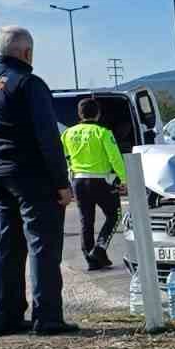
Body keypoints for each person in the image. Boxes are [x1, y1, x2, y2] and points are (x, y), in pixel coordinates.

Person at [0, 26, 76, 335]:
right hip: (32, 174)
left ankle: (7, 316)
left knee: (9, 244)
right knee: (43, 246)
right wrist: (61, 183)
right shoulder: (29, 83)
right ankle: (48, 318)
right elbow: (48, 137)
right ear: (27, 52)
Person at [61, 98, 126, 271]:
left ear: (79, 114)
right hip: (102, 181)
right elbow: (115, 158)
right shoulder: (103, 132)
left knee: (86, 220)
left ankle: (90, 257)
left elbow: (63, 157)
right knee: (115, 215)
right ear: (98, 113)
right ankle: (99, 248)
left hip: (78, 181)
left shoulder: (67, 133)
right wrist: (125, 179)